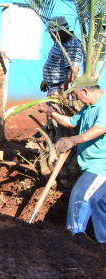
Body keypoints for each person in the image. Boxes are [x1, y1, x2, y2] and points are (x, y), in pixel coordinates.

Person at [38, 76, 106, 243]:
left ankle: (74, 242)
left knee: (80, 196)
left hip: (101, 165)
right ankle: (102, 244)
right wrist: (52, 113)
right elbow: (72, 122)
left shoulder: (104, 104)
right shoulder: (88, 107)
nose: (75, 98)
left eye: (76, 94)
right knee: (99, 208)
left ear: (85, 90)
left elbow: (100, 128)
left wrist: (74, 140)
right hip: (90, 164)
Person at [41, 16, 85, 96]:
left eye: (53, 33)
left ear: (61, 31)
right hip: (55, 87)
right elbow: (56, 63)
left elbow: (73, 70)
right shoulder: (60, 42)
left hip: (62, 89)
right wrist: (46, 80)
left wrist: (62, 89)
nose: (51, 36)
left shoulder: (72, 45)